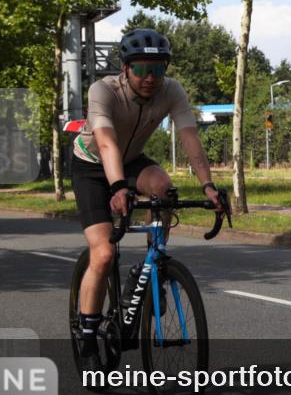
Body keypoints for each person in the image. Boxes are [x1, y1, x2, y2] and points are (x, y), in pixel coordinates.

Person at [71, 28, 224, 361]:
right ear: (125, 68)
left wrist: (208, 185)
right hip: (92, 165)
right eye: (141, 69)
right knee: (104, 254)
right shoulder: (103, 89)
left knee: (165, 190)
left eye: (157, 69)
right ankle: (86, 330)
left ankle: (153, 266)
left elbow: (190, 138)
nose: (150, 78)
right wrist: (117, 188)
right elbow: (107, 142)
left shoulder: (172, 91)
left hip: (131, 161)